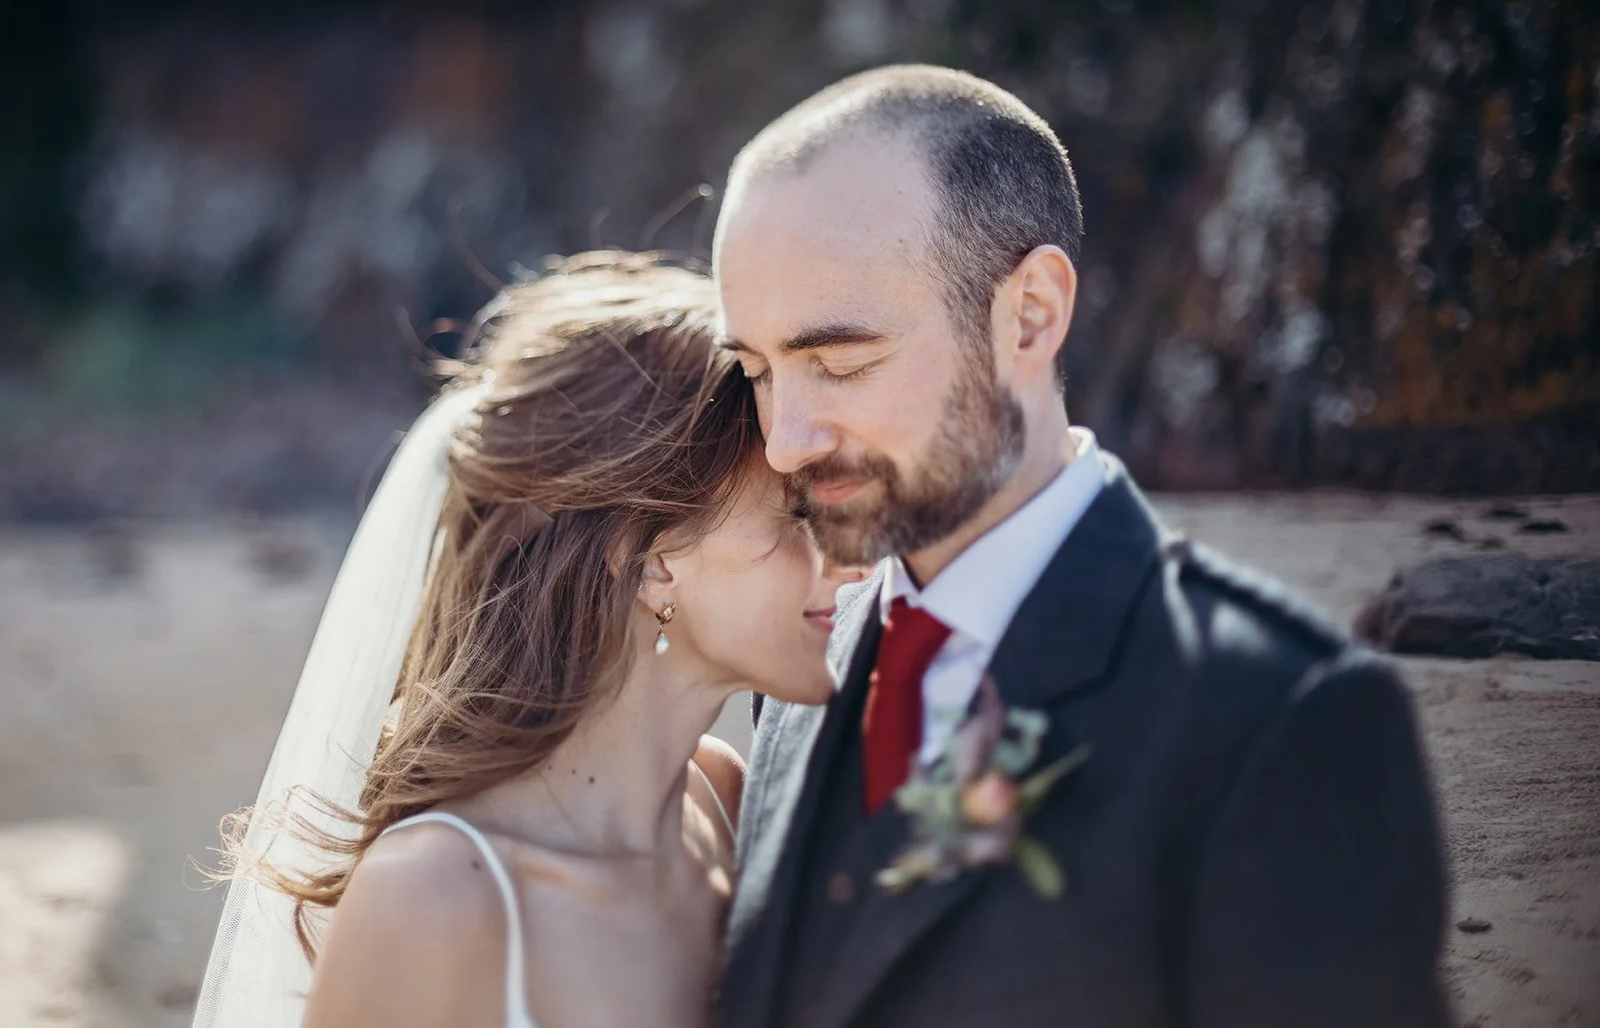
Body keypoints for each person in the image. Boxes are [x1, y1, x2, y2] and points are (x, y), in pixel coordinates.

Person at [713, 65, 1451, 1028]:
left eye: (840, 363)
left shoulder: (1280, 721)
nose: (786, 440)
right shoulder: (798, 675)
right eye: (759, 372)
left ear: (1030, 315)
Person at [192, 253, 861, 1028]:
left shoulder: (727, 798)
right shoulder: (436, 897)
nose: (856, 559)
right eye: (801, 516)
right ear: (649, 559)